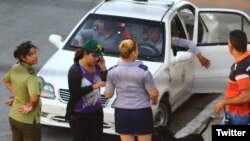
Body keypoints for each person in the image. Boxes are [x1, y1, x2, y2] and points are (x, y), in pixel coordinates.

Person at [104, 39, 159, 141]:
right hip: (141, 112)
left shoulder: (112, 71)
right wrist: (155, 99)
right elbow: (153, 93)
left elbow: (108, 94)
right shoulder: (143, 71)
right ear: (133, 53)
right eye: (137, 49)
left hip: (122, 112)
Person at [65, 40, 107, 141]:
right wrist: (93, 86)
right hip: (79, 115)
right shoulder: (75, 70)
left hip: (96, 112)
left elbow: (105, 82)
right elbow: (74, 93)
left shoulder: (97, 67)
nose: (97, 58)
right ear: (85, 53)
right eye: (94, 56)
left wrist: (103, 68)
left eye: (98, 56)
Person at [3, 41, 42, 141]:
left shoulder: (15, 67)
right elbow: (34, 99)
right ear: (23, 57)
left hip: (14, 117)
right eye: (31, 54)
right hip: (28, 121)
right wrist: (32, 106)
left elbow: (6, 80)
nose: (35, 56)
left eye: (35, 53)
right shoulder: (31, 77)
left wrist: (17, 95)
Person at [214, 30, 250, 125]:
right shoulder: (247, 58)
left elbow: (246, 96)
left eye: (228, 42)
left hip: (237, 116)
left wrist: (223, 102)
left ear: (231, 46)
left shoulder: (240, 69)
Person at [146, 26, 211, 69]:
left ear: (158, 31)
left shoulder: (168, 39)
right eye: (148, 34)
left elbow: (189, 43)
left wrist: (200, 56)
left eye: (152, 32)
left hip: (163, 65)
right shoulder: (146, 42)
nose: (150, 36)